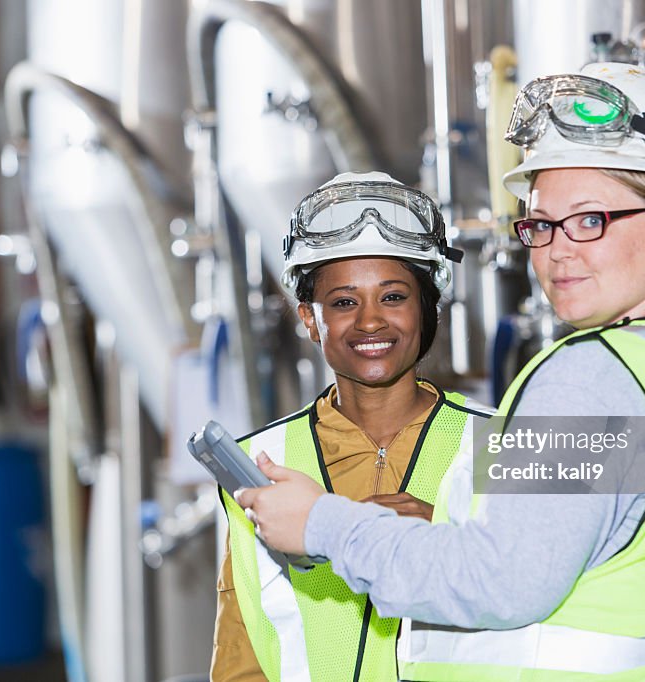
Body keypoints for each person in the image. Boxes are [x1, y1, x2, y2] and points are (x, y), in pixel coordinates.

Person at [236, 63, 645, 681]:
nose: (558, 251)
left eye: (590, 220)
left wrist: (323, 524)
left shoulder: (592, 377)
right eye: (541, 225)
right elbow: (576, 552)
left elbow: (499, 584)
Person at [211, 171, 492, 681]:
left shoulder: (506, 444)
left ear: (430, 307)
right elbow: (244, 650)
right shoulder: (257, 464)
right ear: (309, 319)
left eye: (394, 297)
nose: (369, 321)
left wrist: (451, 542)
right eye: (343, 302)